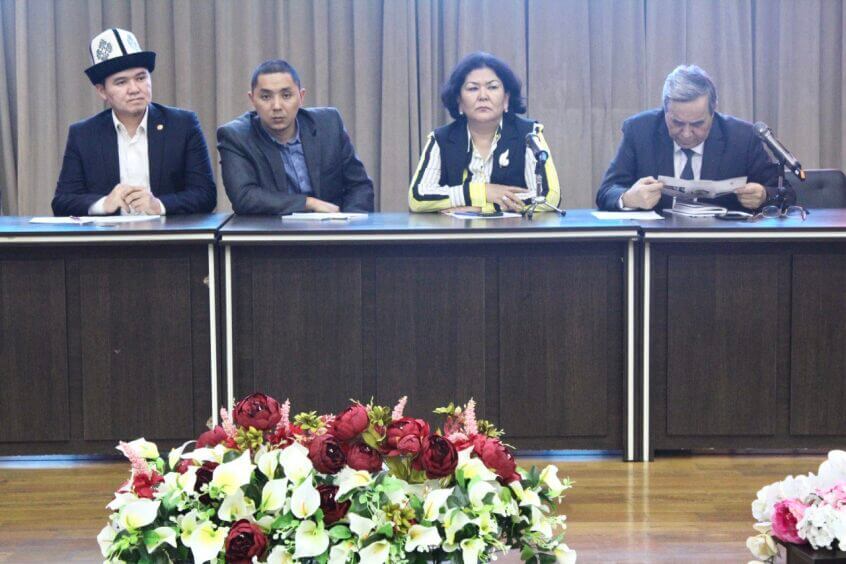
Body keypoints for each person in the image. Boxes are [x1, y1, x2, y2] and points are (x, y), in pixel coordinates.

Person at [53, 28, 216, 216]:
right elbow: (62, 202)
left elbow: (206, 195)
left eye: (141, 78)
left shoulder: (183, 125)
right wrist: (104, 203)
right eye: (121, 82)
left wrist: (159, 205)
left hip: (167, 233)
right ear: (102, 91)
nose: (134, 89)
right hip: (109, 234)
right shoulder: (83, 134)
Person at [596, 64, 787, 212]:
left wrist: (763, 195)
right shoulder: (640, 131)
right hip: (656, 244)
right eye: (677, 123)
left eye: (697, 124)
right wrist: (629, 198)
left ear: (714, 110)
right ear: (665, 110)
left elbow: (785, 193)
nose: (686, 133)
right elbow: (607, 191)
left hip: (723, 245)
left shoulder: (742, 137)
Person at [408, 51, 560, 213]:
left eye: (492, 87)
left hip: (513, 230)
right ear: (459, 100)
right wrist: (482, 191)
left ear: (506, 98)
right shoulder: (441, 139)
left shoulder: (529, 134)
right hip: (457, 230)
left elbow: (548, 197)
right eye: (473, 88)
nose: (483, 96)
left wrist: (481, 208)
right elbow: (417, 198)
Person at [217, 59, 374, 215]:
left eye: (286, 95)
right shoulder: (236, 136)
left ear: (301, 96)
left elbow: (359, 186)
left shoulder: (329, 124)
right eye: (266, 97)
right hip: (273, 229)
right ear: (252, 100)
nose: (277, 106)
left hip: (332, 227)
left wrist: (348, 223)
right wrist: (308, 203)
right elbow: (244, 197)